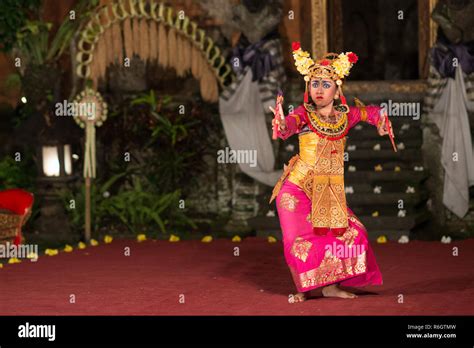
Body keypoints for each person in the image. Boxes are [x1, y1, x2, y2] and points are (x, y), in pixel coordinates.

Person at [269, 42, 391, 303]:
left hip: (326, 192)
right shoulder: (304, 114)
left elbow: (372, 112)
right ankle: (303, 289)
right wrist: (280, 122)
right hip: (296, 188)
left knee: (354, 234)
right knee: (297, 242)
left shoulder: (346, 116)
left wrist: (382, 121)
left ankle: (330, 286)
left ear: (337, 90)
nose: (319, 90)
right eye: (314, 84)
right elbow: (288, 126)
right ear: (308, 88)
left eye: (326, 85)